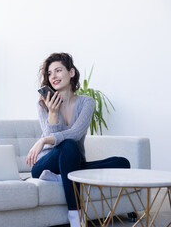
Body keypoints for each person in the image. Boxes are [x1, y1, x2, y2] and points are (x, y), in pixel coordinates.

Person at [26, 52, 130, 227]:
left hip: (73, 160)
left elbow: (76, 132)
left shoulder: (86, 102)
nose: (53, 77)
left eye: (58, 70)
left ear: (71, 72)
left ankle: (62, 174)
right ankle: (75, 216)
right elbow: (59, 142)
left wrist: (44, 140)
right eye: (50, 73)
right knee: (67, 145)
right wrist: (53, 112)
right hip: (45, 165)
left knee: (122, 163)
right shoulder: (43, 104)